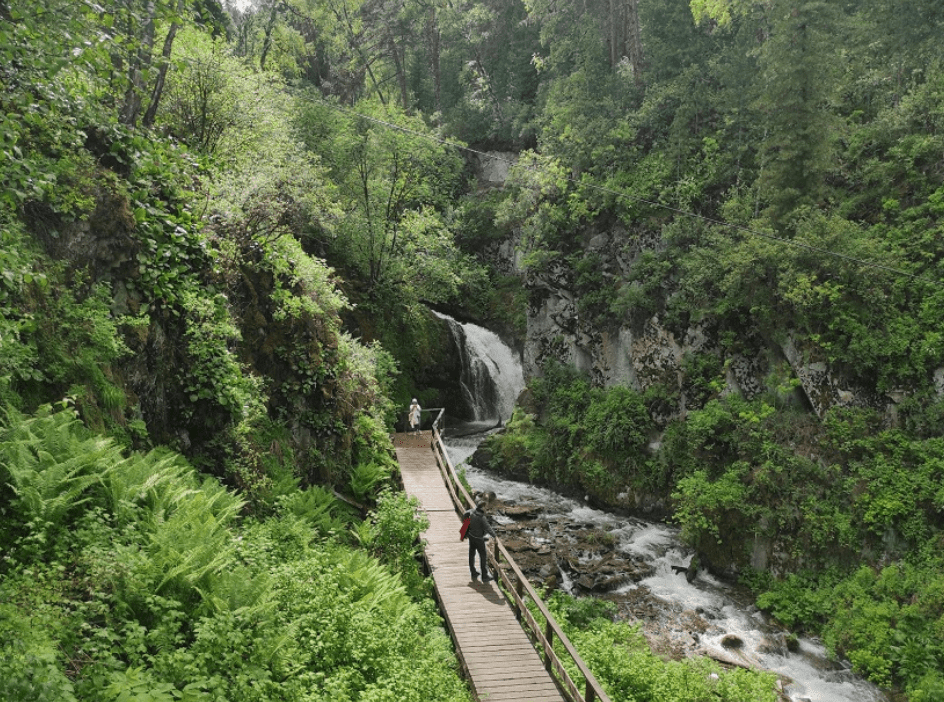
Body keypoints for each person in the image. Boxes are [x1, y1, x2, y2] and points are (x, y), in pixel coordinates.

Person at [463, 500, 496, 582]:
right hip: (478, 539)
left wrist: (466, 531)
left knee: (472, 554)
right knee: (483, 556)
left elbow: (464, 515)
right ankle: (484, 576)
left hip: (471, 536)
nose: (486, 508)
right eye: (485, 507)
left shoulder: (471, 512)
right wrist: (495, 536)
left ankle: (473, 572)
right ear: (482, 507)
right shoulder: (482, 518)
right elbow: (488, 528)